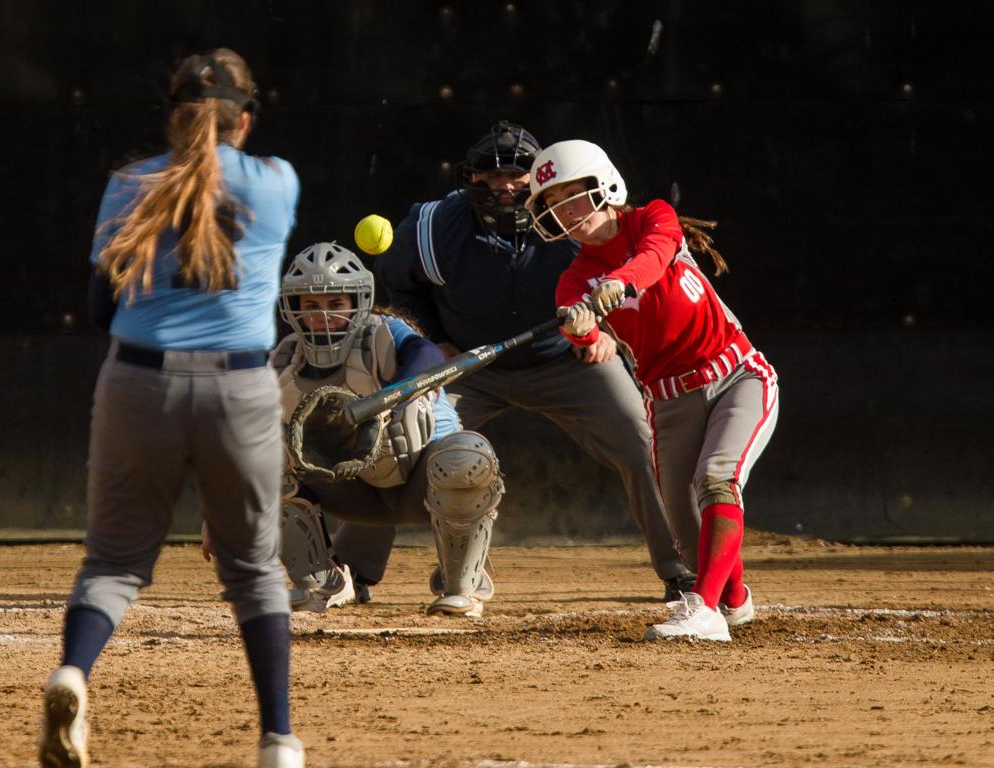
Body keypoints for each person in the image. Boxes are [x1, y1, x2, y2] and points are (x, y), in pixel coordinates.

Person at [38, 49, 309, 768]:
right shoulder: (277, 181)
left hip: (138, 385)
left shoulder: (130, 184)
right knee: (254, 570)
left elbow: (100, 309)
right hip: (240, 388)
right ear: (243, 119)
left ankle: (73, 672)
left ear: (174, 115)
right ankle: (278, 743)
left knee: (115, 564)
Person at [361, 121, 693, 600]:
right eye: (491, 179)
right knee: (401, 438)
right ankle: (352, 571)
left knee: (640, 439)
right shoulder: (433, 226)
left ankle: (680, 567)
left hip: (567, 360)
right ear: (469, 182)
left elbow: (622, 283)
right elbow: (398, 282)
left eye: (518, 177)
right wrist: (436, 340)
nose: (505, 188)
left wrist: (603, 336)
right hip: (471, 366)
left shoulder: (575, 221)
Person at [527, 139, 779, 641]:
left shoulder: (650, 218)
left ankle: (703, 609)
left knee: (716, 479)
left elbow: (655, 255)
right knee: (685, 533)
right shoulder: (572, 281)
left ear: (605, 186)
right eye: (554, 205)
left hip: (736, 375)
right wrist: (579, 326)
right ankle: (731, 598)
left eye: (573, 196)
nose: (567, 212)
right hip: (667, 402)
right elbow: (587, 338)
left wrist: (617, 283)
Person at [272, 241, 503, 617]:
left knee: (467, 456)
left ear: (358, 303)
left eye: (336, 304)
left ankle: (461, 585)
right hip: (352, 491)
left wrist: (393, 395)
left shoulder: (384, 332)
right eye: (311, 306)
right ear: (293, 309)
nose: (325, 316)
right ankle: (321, 581)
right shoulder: (285, 359)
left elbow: (426, 354)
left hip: (421, 481)